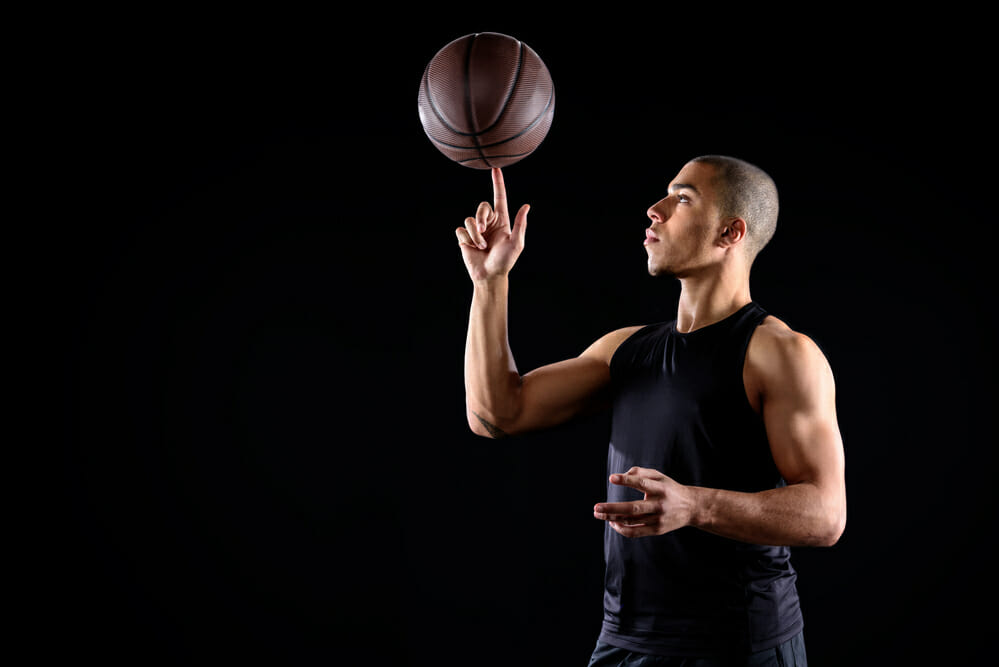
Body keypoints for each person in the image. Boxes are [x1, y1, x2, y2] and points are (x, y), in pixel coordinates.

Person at [455, 156, 846, 666]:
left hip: (739, 644)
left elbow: (826, 515)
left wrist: (695, 505)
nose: (655, 210)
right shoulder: (626, 350)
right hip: (625, 641)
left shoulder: (781, 353)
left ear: (730, 232)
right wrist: (490, 282)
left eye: (682, 199)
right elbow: (495, 414)